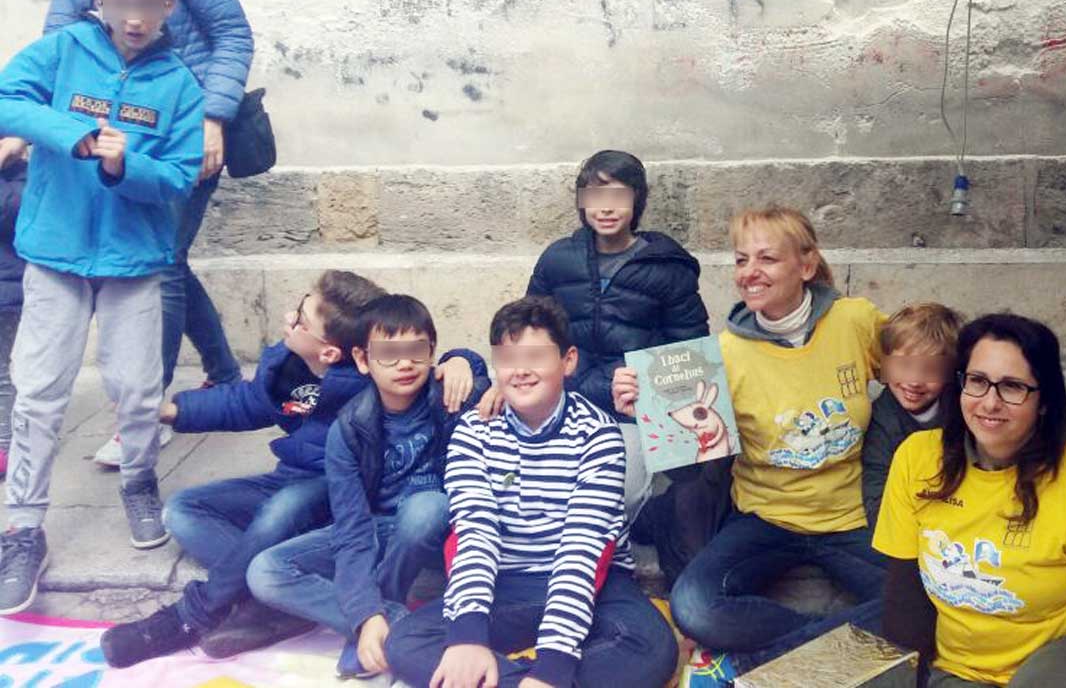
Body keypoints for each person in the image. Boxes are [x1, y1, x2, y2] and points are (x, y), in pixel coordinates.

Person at [22, 0, 256, 466]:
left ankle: (143, 416)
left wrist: (212, 116)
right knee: (167, 254)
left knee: (162, 262)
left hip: (182, 130)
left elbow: (232, 34)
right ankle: (224, 375)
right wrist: (34, 125)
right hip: (111, 143)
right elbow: (55, 49)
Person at [0, 0, 203, 613]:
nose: (133, 17)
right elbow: (6, 98)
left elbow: (177, 177)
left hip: (133, 261)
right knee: (38, 394)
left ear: (168, 3)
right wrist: (67, 132)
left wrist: (123, 165)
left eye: (146, 3)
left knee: (139, 393)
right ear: (99, 2)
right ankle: (22, 528)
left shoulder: (179, 85)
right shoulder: (63, 51)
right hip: (55, 254)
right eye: (120, 3)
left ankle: (139, 479)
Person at [615, 206, 887, 684]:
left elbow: (916, 373)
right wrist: (645, 409)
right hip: (764, 518)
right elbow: (689, 456)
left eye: (767, 258)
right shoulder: (722, 353)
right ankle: (831, 649)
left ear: (806, 265)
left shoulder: (856, 321)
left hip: (850, 518)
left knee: (926, 599)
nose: (749, 272)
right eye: (741, 260)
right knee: (694, 606)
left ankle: (780, 660)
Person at [383, 296, 679, 688]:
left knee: (650, 649)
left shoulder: (599, 435)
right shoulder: (474, 431)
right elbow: (475, 534)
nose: (520, 371)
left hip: (593, 584)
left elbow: (582, 550)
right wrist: (468, 637)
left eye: (535, 357)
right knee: (407, 642)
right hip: (505, 580)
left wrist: (553, 667)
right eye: (507, 359)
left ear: (568, 361)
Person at [98, 271, 390, 666]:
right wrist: (168, 411)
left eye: (301, 319)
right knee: (182, 511)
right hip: (289, 478)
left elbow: (428, 364)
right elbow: (246, 403)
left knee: (281, 510)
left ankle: (191, 616)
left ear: (329, 353)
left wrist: (461, 362)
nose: (288, 317)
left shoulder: (371, 380)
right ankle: (277, 600)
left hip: (336, 490)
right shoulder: (288, 364)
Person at [873, 313, 1066, 688]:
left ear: (1044, 401)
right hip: (960, 671)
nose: (990, 403)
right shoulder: (917, 458)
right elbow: (905, 598)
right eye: (977, 381)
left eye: (1012, 387)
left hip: (1055, 664)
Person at [248, 294, 490, 679]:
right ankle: (388, 623)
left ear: (431, 351)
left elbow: (504, 385)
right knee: (265, 570)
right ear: (362, 359)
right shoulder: (348, 428)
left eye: (416, 351)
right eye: (388, 354)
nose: (404, 364)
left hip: (434, 529)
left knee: (426, 508)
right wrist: (365, 613)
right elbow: (352, 528)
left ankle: (376, 620)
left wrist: (473, 368)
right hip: (376, 527)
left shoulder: (450, 398)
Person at [522, 149, 708, 520]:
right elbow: (528, 331)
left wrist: (649, 388)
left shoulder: (668, 267)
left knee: (616, 496)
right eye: (595, 195)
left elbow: (690, 354)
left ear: (637, 199)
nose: (606, 208)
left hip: (630, 412)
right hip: (564, 403)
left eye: (618, 195)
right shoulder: (558, 259)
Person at [861, 303, 961, 532]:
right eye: (904, 365)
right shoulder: (880, 421)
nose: (915, 380)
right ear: (884, 363)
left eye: (930, 370)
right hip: (907, 523)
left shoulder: (961, 408)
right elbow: (877, 489)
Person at [0, 146, 27, 478]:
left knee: (2, 374)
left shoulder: (21, 177)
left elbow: (10, 213)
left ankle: (7, 444)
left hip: (6, 292)